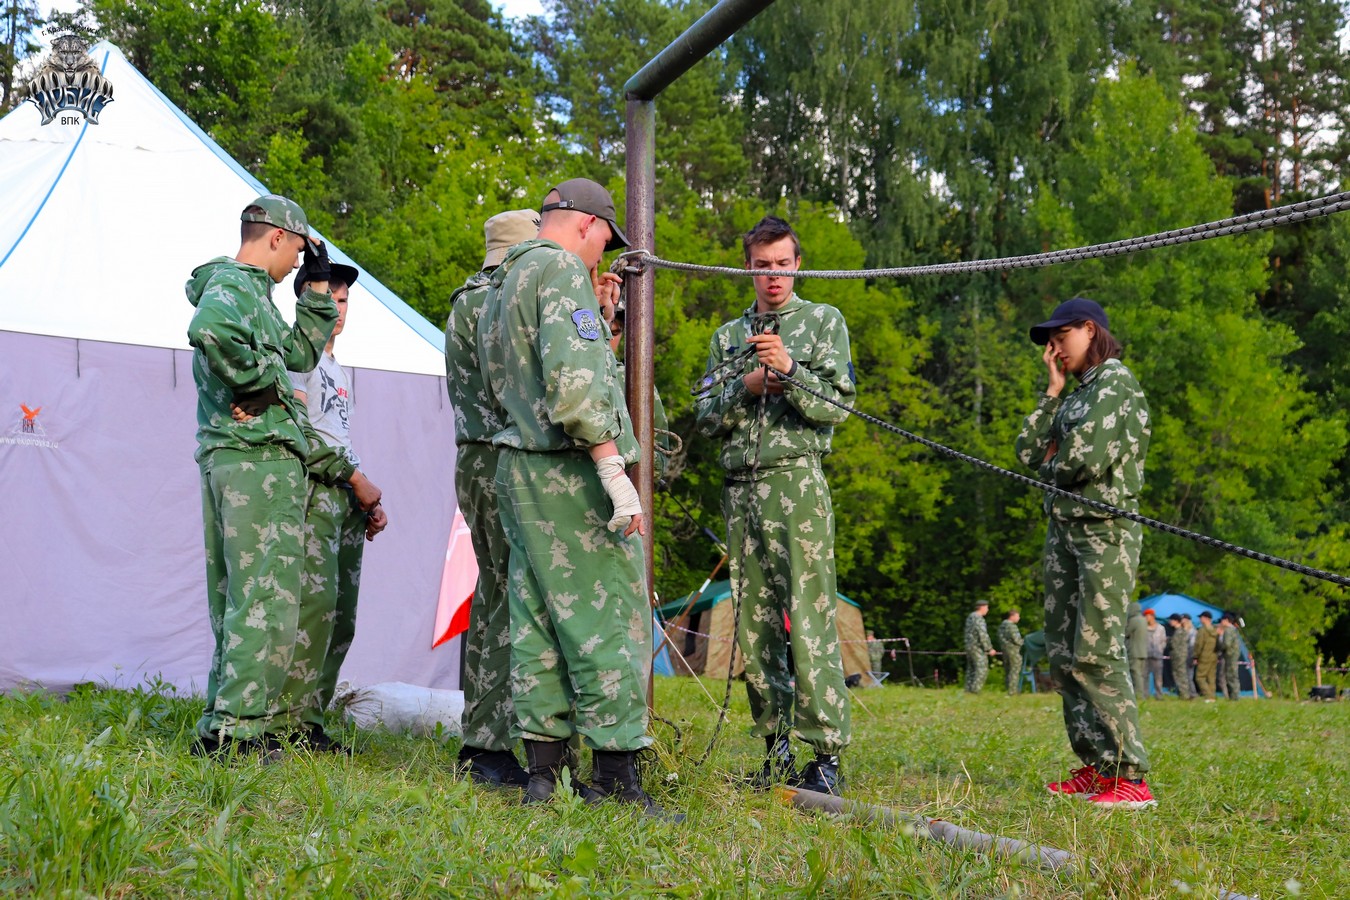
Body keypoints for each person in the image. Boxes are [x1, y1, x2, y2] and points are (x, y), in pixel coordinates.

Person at [477, 179, 678, 821]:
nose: (600, 257)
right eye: (603, 243)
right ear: (588, 226)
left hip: (516, 465)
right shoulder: (561, 270)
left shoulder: (500, 283)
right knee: (610, 614)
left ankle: (543, 773)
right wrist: (612, 469)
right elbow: (576, 383)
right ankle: (618, 778)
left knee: (535, 616)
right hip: (569, 471)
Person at [694, 215, 856, 796]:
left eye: (782, 264)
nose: (773, 276)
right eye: (762, 266)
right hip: (741, 489)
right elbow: (706, 417)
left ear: (797, 265)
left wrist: (789, 370)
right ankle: (777, 747)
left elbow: (840, 406)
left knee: (809, 618)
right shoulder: (725, 337)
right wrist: (748, 387)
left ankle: (826, 756)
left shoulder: (822, 322)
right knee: (755, 623)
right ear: (749, 268)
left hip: (796, 485)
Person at [186, 194, 337, 758]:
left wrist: (318, 291)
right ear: (275, 236)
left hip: (239, 457)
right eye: (298, 251)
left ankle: (224, 721)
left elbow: (298, 354)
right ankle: (239, 733)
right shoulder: (234, 288)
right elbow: (210, 330)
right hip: (257, 460)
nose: (298, 261)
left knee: (240, 597)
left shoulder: (257, 297)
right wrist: (257, 385)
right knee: (264, 598)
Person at [1014, 297, 1155, 808]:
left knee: (1095, 652)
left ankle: (1131, 776)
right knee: (1066, 655)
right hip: (1065, 531)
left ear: (1089, 330)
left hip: (1103, 533)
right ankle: (1098, 765)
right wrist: (1052, 393)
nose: (1053, 348)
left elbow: (1081, 461)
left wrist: (1055, 459)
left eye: (1059, 337)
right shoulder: (1076, 395)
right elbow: (1028, 454)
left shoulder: (1116, 384)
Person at [444, 208, 540, 788]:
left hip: (473, 456)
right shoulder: (496, 301)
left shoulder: (466, 300)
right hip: (499, 455)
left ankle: (485, 739)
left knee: (494, 593)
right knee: (508, 598)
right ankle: (489, 743)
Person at [276, 258, 386, 753]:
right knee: (312, 610)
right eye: (328, 299)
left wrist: (364, 494)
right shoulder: (299, 358)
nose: (337, 309)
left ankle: (311, 721)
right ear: (305, 301)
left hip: (344, 495)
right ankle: (285, 721)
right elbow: (301, 433)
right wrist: (354, 478)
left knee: (342, 615)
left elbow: (338, 434)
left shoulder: (338, 367)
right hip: (314, 492)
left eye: (344, 301)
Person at [964, 600, 996, 694]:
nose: (987, 610)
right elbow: (982, 634)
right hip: (977, 647)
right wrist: (989, 648)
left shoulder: (971, 617)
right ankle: (975, 690)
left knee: (972, 669)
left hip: (969, 646)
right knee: (982, 668)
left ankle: (968, 690)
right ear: (982, 607)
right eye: (987, 607)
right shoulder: (978, 618)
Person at [1193, 610, 1219, 701]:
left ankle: (1208, 696)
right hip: (1214, 656)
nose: (1200, 619)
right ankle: (1213, 696)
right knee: (1211, 677)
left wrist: (1195, 656)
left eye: (1201, 617)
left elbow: (1199, 644)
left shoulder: (1202, 630)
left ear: (1206, 618)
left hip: (1204, 656)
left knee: (1200, 677)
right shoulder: (1215, 630)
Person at [1125, 601, 1149, 700]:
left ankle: (1138, 695)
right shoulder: (1144, 620)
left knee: (1135, 674)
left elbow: (1126, 633)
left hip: (1134, 651)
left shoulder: (1134, 620)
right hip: (1143, 651)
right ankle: (1143, 694)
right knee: (1141, 674)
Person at [997, 610, 1024, 694]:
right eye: (1017, 616)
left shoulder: (1002, 625)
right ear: (1012, 616)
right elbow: (1016, 640)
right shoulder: (1012, 626)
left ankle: (1007, 688)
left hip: (1005, 650)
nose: (1019, 618)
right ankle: (1012, 691)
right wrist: (1025, 642)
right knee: (1014, 670)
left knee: (1008, 670)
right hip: (1014, 651)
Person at [1167, 614, 1194, 700]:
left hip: (1177, 657)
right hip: (1181, 656)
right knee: (1182, 675)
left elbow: (1174, 645)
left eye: (1171, 620)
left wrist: (1168, 641)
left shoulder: (1178, 632)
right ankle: (1185, 694)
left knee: (1179, 675)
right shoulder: (1183, 631)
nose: (1170, 622)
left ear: (1176, 621)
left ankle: (1184, 695)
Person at [1143, 609, 1167, 699]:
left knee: (1158, 677)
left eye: (1147, 616)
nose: (1146, 618)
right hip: (1146, 655)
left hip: (1157, 656)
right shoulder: (1143, 628)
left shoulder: (1161, 628)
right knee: (1144, 676)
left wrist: (1160, 650)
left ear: (1152, 616)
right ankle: (1145, 695)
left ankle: (1159, 695)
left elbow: (1163, 641)